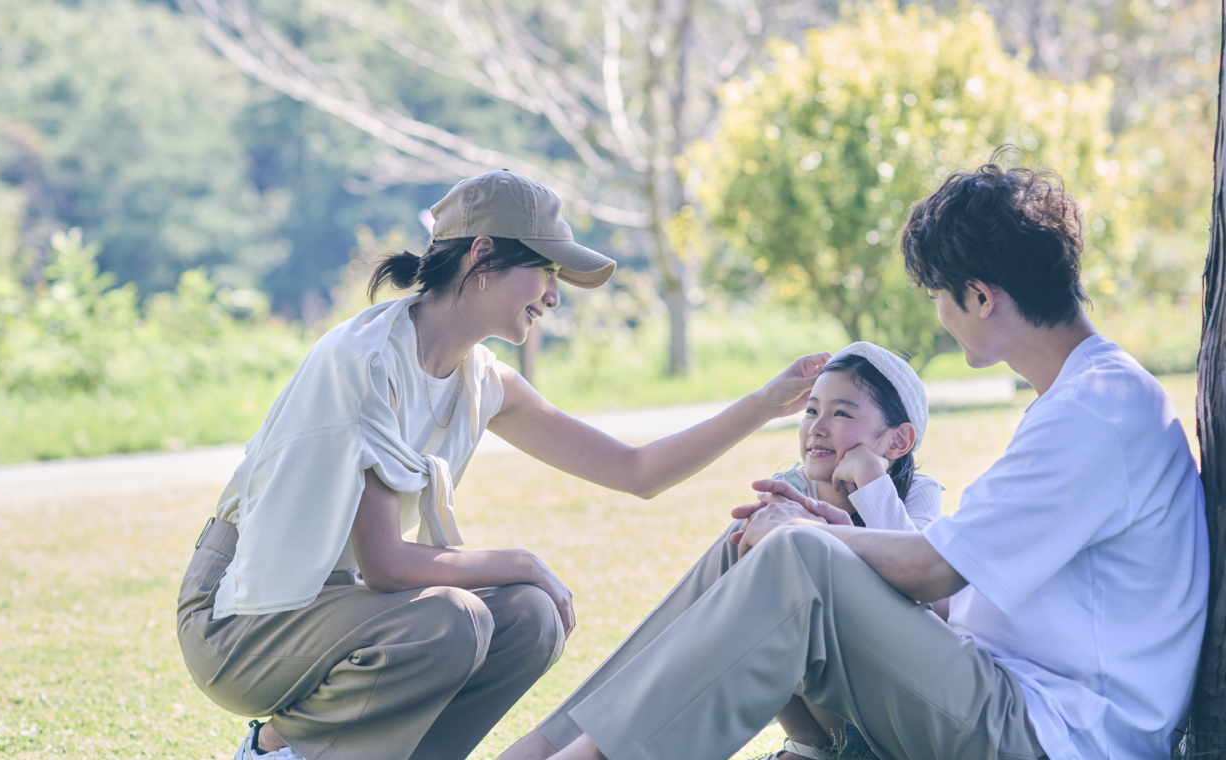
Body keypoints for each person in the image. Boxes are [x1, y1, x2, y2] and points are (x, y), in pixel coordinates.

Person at [509, 157, 1208, 760]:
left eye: (940, 296)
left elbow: (935, 571)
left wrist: (814, 538)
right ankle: (543, 749)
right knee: (751, 545)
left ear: (981, 297)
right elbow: (962, 587)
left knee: (795, 555)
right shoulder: (1083, 398)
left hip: (1052, 733)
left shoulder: (1094, 414)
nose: (940, 314)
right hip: (1002, 691)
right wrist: (836, 534)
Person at [174, 169, 830, 760]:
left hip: (339, 613)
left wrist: (765, 403)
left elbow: (636, 471)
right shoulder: (369, 363)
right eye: (547, 272)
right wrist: (520, 561)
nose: (554, 296)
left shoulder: (481, 380)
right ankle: (274, 750)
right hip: (243, 618)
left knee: (530, 621)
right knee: (457, 620)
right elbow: (388, 564)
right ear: (483, 256)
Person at [499, 342, 942, 760]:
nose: (817, 427)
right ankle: (559, 743)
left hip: (894, 723)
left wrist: (872, 483)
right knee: (748, 541)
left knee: (787, 555)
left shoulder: (917, 495)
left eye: (841, 412)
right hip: (825, 727)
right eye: (811, 410)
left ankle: (559, 746)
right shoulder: (794, 488)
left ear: (899, 441)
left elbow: (929, 600)